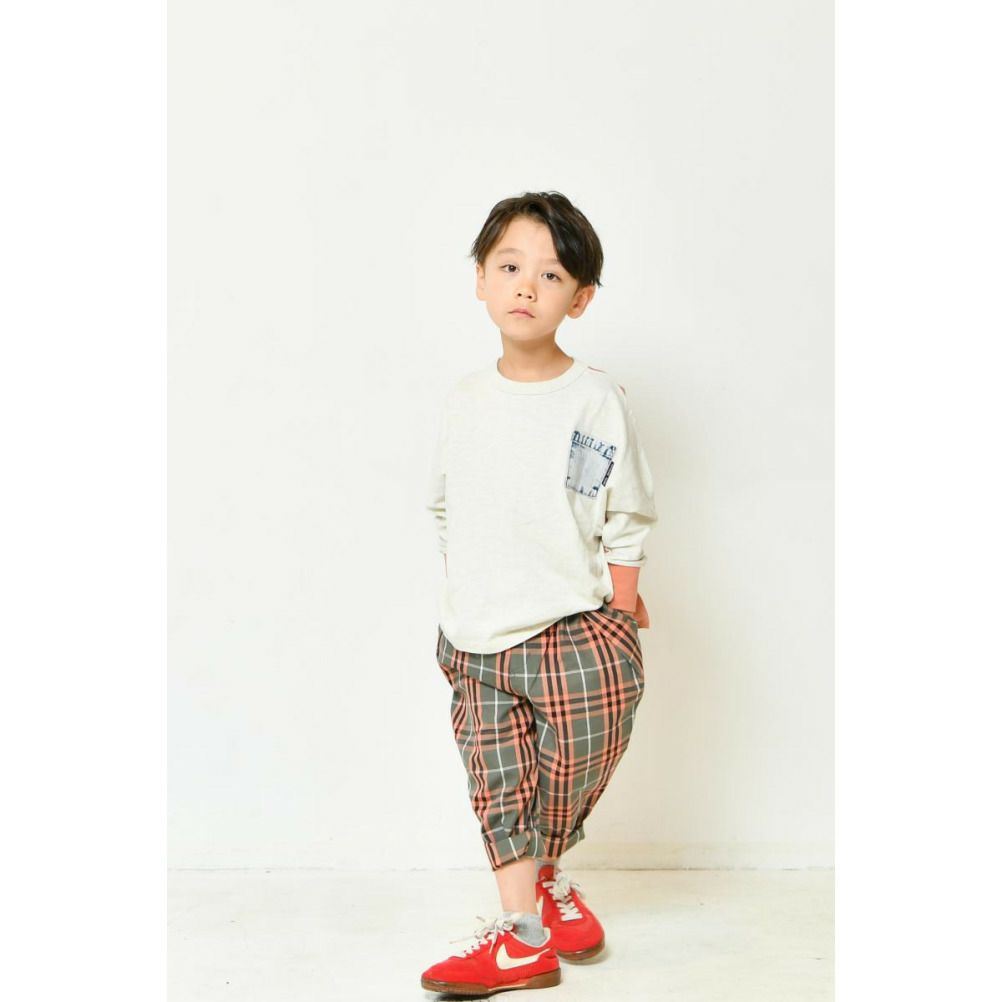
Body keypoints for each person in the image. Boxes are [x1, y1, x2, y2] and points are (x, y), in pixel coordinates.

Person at [420, 191, 658, 997]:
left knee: (578, 757)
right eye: (509, 267)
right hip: (477, 634)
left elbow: (619, 505)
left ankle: (548, 875)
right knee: (498, 782)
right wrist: (470, 584)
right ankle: (521, 936)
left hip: (571, 624)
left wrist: (622, 600)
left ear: (579, 299)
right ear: (480, 280)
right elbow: (444, 504)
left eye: (551, 275)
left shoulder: (593, 400)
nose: (526, 286)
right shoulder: (464, 399)